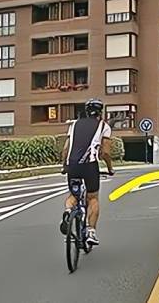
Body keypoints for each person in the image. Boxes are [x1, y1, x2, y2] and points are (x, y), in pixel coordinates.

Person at [59, 98, 114, 246]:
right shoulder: (103, 126)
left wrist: (64, 166)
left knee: (73, 195)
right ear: (100, 112)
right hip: (89, 165)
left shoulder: (74, 125)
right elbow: (106, 152)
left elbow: (66, 149)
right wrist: (110, 168)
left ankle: (68, 211)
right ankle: (91, 232)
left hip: (72, 165)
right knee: (93, 198)